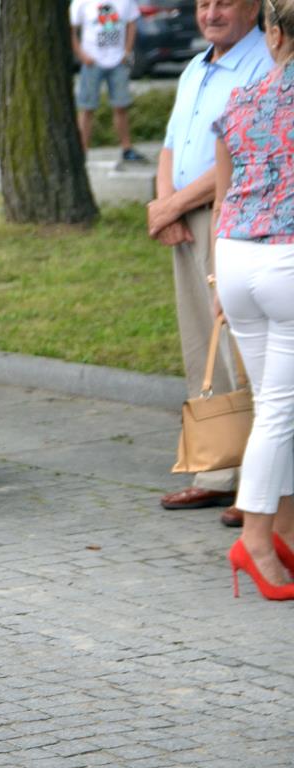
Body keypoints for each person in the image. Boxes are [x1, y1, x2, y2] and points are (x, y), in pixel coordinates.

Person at [148, 0, 272, 525]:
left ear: (253, 8)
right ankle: (216, 470)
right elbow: (170, 146)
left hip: (230, 219)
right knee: (200, 342)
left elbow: (241, 155)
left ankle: (258, 485)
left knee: (243, 350)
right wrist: (164, 206)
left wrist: (173, 204)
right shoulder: (196, 68)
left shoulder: (265, 63)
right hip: (183, 218)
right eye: (203, 4)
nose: (211, 14)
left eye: (224, 2)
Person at [212, 0, 294, 599]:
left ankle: (283, 530)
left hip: (234, 256)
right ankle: (256, 539)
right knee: (279, 411)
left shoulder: (239, 97)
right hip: (285, 260)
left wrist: (217, 280)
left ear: (273, 34)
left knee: (276, 406)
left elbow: (224, 192)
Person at [69, 0, 147, 162]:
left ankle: (127, 148)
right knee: (87, 108)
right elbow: (71, 29)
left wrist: (127, 51)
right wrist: (81, 55)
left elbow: (132, 24)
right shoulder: (82, 2)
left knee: (121, 106)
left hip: (117, 61)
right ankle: (82, 151)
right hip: (92, 61)